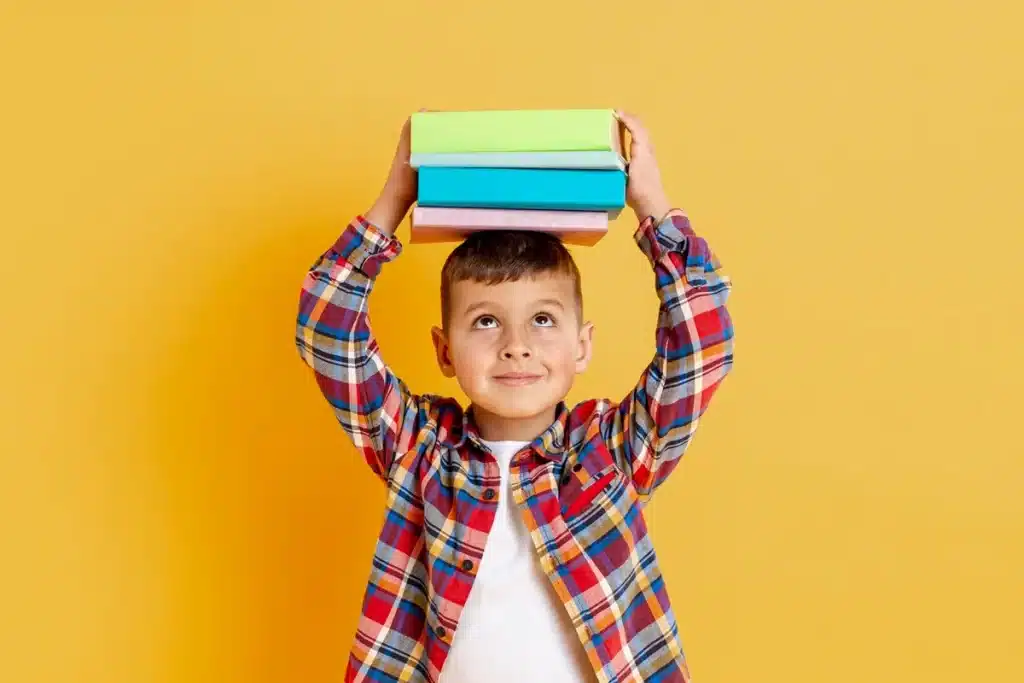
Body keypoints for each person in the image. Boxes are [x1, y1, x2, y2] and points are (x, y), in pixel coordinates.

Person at [295, 110, 735, 683]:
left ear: (582, 347)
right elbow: (327, 326)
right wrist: (395, 198)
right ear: (445, 351)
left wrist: (652, 204)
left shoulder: (612, 452)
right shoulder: (419, 448)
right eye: (484, 323)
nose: (516, 347)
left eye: (543, 321)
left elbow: (702, 343)